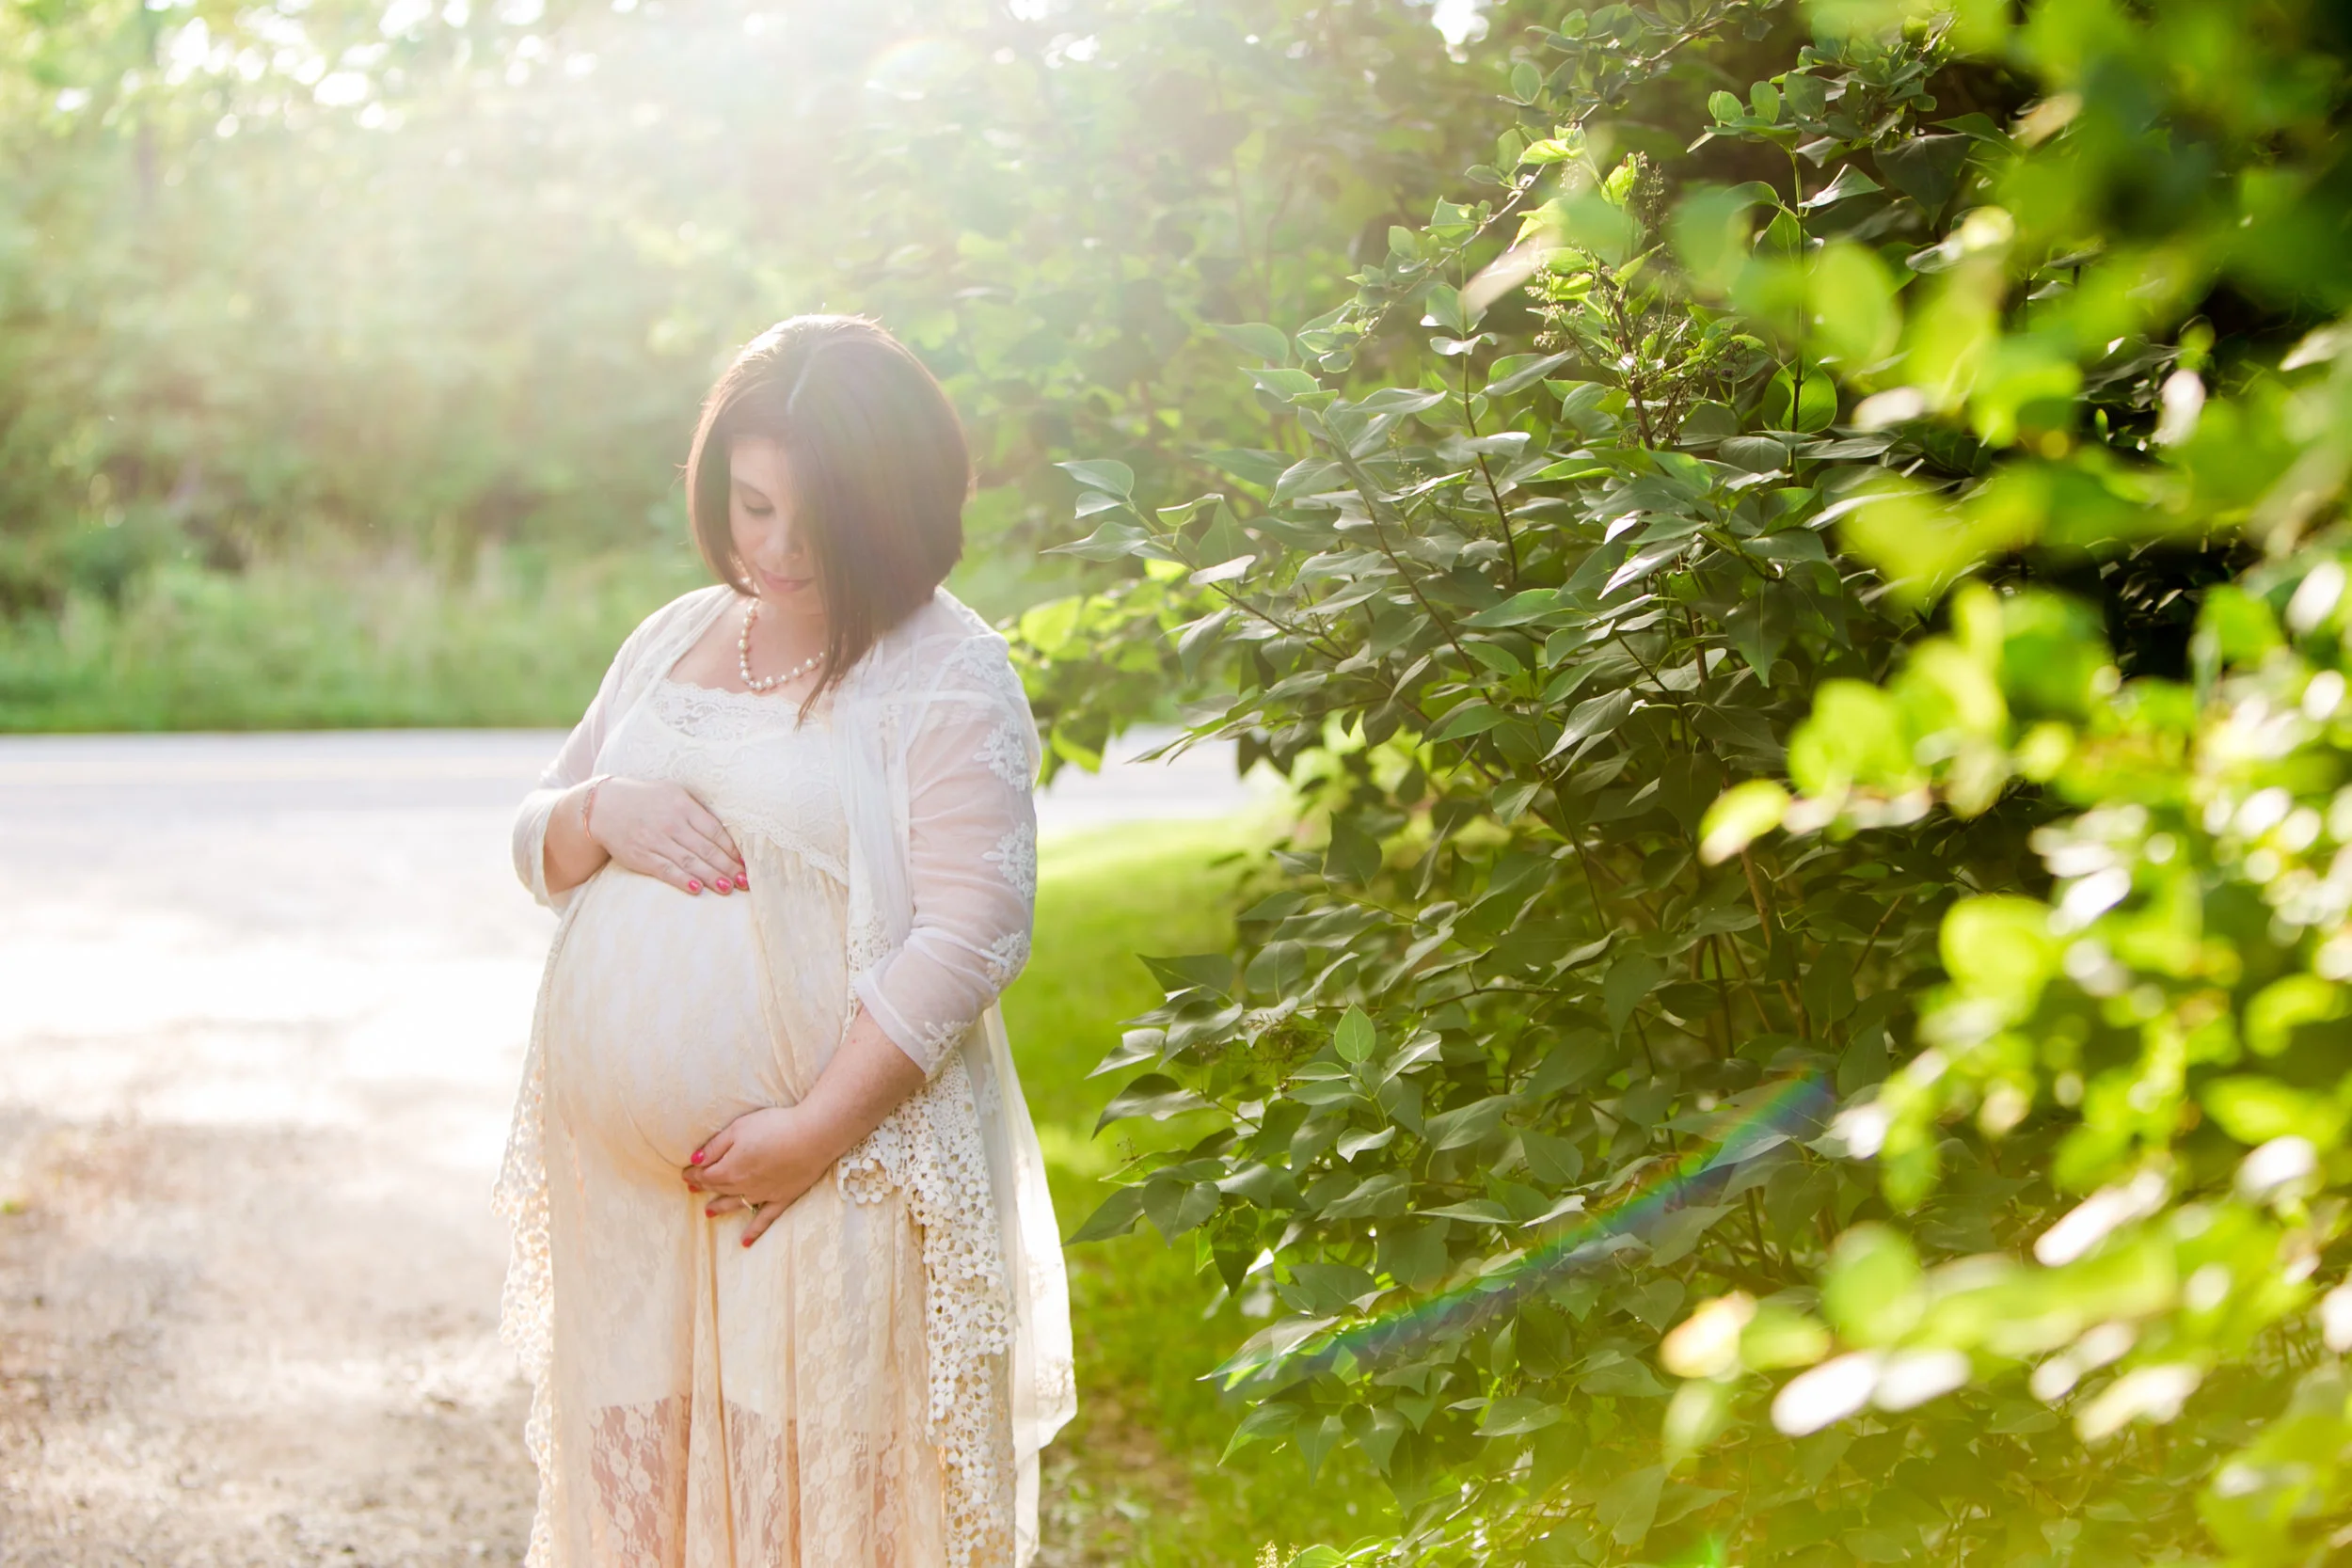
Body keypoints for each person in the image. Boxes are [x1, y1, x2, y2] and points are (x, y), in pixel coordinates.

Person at [498, 316, 1073, 1568]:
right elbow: (536, 835)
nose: (775, 547)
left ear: (899, 506)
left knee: (817, 1518)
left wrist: (812, 1130)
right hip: (637, 1214)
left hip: (833, 1181)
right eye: (750, 505)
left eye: (815, 519)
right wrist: (601, 811)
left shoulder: (946, 670)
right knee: (643, 1520)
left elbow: (974, 930)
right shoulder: (670, 636)